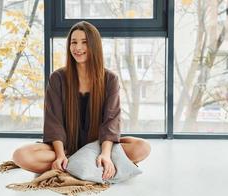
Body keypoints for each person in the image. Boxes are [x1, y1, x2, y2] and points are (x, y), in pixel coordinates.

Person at [12, 21, 151, 180]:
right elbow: (54, 122)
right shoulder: (57, 78)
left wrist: (105, 154)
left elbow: (111, 121)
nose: (78, 48)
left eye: (84, 42)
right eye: (74, 42)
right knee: (21, 156)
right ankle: (81, 165)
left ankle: (80, 165)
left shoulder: (110, 79)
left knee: (142, 147)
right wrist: (58, 155)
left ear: (94, 46)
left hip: (97, 148)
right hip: (65, 148)